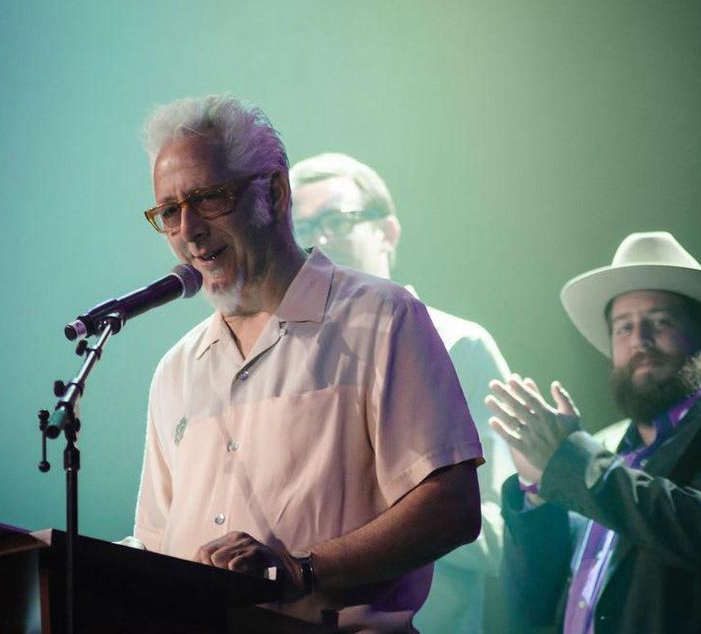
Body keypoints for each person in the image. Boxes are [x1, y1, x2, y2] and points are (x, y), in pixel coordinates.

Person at [131, 95, 483, 632]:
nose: (189, 229)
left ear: (274, 193)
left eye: (207, 198)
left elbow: (451, 508)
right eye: (170, 211)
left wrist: (301, 571)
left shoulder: (380, 317)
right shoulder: (175, 370)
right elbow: (156, 544)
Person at [486, 232, 701, 633]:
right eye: (623, 328)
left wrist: (570, 459)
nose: (639, 340)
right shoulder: (604, 449)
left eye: (660, 322)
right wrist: (538, 489)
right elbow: (531, 606)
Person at [290, 153, 513, 633]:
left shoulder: (459, 344)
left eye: (336, 221)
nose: (317, 242)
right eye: (302, 228)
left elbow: (502, 532)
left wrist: (384, 529)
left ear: (387, 232)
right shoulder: (288, 361)